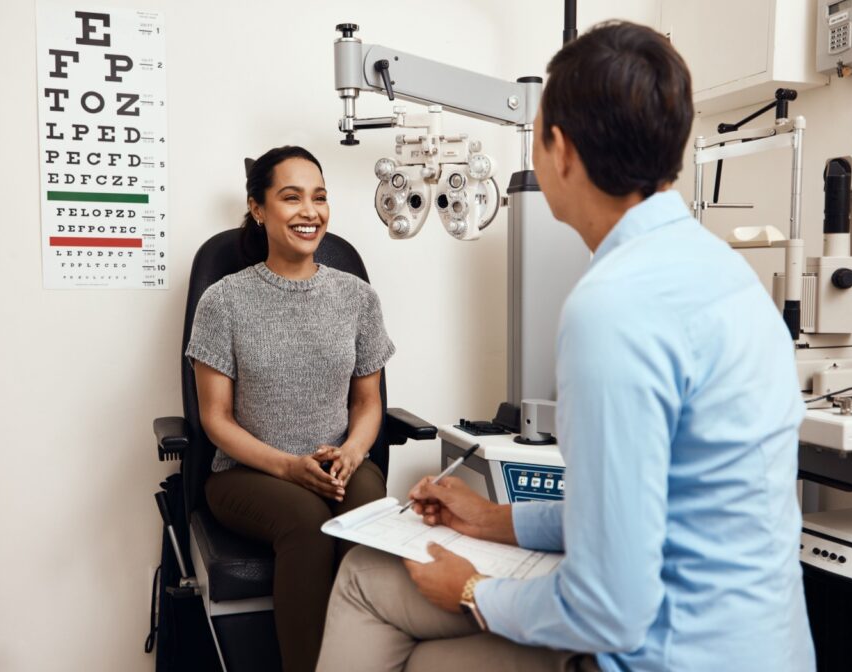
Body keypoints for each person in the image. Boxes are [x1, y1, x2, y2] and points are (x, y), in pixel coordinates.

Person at [317, 21, 815, 672]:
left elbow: (610, 604)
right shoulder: (728, 277)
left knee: (371, 590)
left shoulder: (612, 306)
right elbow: (635, 512)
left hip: (666, 652)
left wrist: (472, 589)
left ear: (562, 150)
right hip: (767, 645)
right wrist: (493, 519)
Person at [185, 145, 395, 672]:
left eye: (320, 197)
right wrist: (289, 468)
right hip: (247, 473)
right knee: (306, 523)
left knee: (369, 518)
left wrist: (351, 451)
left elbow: (368, 403)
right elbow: (215, 419)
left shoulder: (356, 297)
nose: (311, 211)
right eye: (291, 197)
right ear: (258, 208)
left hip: (337, 464)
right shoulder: (224, 301)